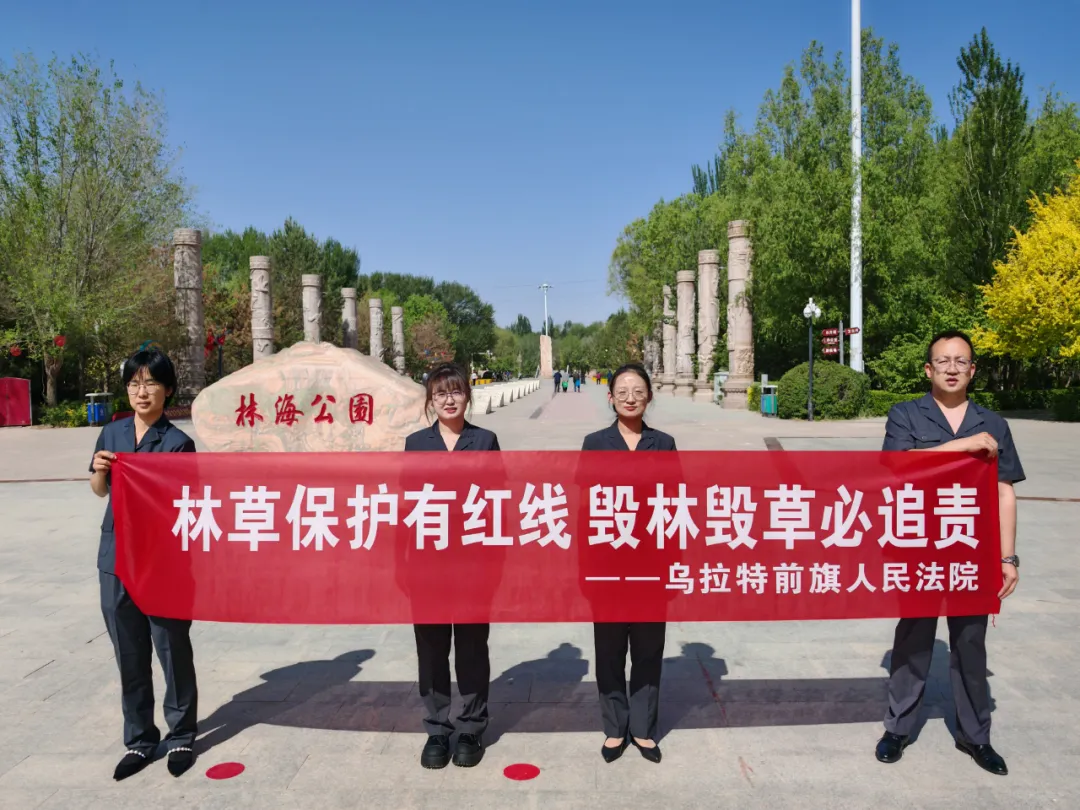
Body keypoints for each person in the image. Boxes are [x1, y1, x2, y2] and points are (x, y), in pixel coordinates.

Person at [875, 330, 1024, 776]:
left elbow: (1004, 491)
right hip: (917, 547)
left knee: (970, 643)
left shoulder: (993, 423)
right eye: (943, 361)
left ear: (972, 370)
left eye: (961, 361)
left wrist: (1008, 557)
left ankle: (976, 736)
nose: (952, 368)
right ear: (929, 369)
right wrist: (962, 446)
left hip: (972, 551)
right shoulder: (905, 414)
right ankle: (898, 727)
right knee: (913, 638)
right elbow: (898, 468)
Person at [89, 349, 199, 781]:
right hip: (116, 557)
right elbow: (99, 490)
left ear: (167, 390)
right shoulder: (112, 432)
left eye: (151, 382)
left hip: (162, 562)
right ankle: (139, 739)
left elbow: (186, 505)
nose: (141, 391)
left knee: (171, 650)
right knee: (129, 652)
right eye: (134, 383)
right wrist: (100, 470)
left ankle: (182, 734)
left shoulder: (178, 443)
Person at [404, 363, 500, 769]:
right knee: (431, 648)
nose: (449, 399)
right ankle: (437, 728)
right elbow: (405, 506)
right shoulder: (416, 444)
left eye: (456, 391)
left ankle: (472, 727)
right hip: (427, 565)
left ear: (467, 396)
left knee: (472, 647)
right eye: (440, 393)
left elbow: (498, 503)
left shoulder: (485, 440)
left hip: (473, 563)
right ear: (431, 399)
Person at [581, 363, 676, 764]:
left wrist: (674, 565)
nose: (630, 398)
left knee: (648, 649)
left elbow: (675, 505)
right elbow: (584, 508)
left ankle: (642, 728)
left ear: (649, 397)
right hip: (607, 563)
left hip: (651, 564)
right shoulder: (595, 443)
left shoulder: (664, 443)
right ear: (610, 398)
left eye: (638, 391)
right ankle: (615, 727)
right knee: (609, 649)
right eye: (622, 392)